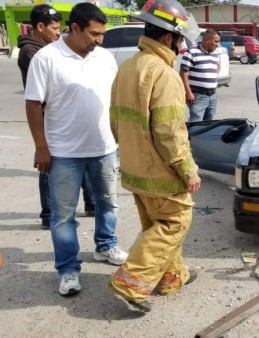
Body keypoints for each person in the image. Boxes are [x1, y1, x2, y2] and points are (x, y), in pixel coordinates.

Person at [24, 3, 127, 296]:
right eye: (94, 34)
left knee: (108, 202)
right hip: (63, 152)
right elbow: (33, 104)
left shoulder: (105, 58)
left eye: (102, 34)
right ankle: (68, 268)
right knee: (63, 215)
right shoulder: (47, 58)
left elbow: (115, 100)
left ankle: (105, 246)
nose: (99, 40)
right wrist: (41, 147)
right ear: (75, 28)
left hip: (104, 147)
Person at [109, 0, 202, 312]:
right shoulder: (163, 73)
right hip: (161, 171)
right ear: (167, 39)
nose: (181, 48)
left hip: (136, 169)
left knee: (157, 224)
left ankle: (171, 277)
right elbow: (169, 129)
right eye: (180, 41)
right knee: (175, 222)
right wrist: (187, 169)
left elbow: (116, 121)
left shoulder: (128, 67)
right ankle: (130, 282)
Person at [18, 5, 96, 230]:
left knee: (79, 158)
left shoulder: (47, 48)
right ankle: (48, 213)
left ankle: (90, 203)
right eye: (53, 28)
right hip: (49, 118)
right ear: (40, 27)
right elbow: (36, 98)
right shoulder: (33, 53)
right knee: (49, 164)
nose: (57, 32)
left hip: (64, 117)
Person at [180, 29, 220, 122]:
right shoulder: (192, 51)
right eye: (216, 41)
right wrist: (188, 92)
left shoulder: (215, 52)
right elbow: (183, 72)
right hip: (198, 97)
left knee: (208, 125)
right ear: (207, 40)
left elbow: (218, 65)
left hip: (213, 96)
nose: (217, 44)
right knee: (196, 125)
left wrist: (212, 76)